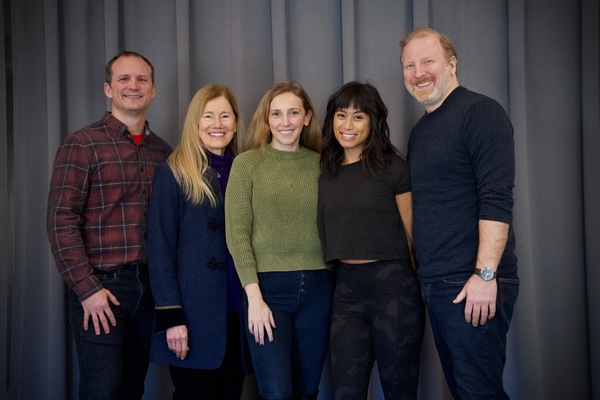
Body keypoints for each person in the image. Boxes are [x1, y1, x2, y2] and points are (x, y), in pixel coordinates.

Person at [400, 28, 519, 399]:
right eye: (409, 65)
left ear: (452, 64)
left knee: (478, 391)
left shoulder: (480, 112)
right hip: (438, 285)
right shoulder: (421, 132)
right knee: (464, 390)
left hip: (472, 282)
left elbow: (496, 197)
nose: (419, 72)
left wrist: (485, 275)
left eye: (428, 61)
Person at [46, 51, 172, 400]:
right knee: (101, 391)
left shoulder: (163, 152)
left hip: (149, 291)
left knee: (133, 389)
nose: (133, 86)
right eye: (124, 79)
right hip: (102, 290)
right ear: (107, 88)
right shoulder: (81, 145)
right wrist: (87, 290)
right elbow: (60, 221)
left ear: (153, 90)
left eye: (142, 79)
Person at [225, 81, 334, 400]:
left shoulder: (323, 165)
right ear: (266, 119)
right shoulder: (246, 164)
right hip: (266, 291)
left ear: (307, 117)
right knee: (276, 392)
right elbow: (237, 234)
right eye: (276, 114)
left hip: (319, 288)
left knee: (307, 390)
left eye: (293, 113)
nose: (285, 121)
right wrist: (254, 299)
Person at [317, 81, 425, 400]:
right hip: (346, 293)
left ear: (373, 122)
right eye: (341, 115)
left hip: (393, 290)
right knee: (345, 393)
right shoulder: (326, 172)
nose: (348, 125)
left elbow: (412, 234)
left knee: (399, 390)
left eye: (359, 116)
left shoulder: (394, 168)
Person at [147, 84, 254, 399]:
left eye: (225, 115)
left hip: (239, 311)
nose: (217, 124)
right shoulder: (173, 173)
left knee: (231, 392)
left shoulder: (245, 170)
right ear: (195, 123)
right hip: (192, 315)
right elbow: (160, 250)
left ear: (235, 122)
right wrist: (171, 315)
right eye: (208, 116)